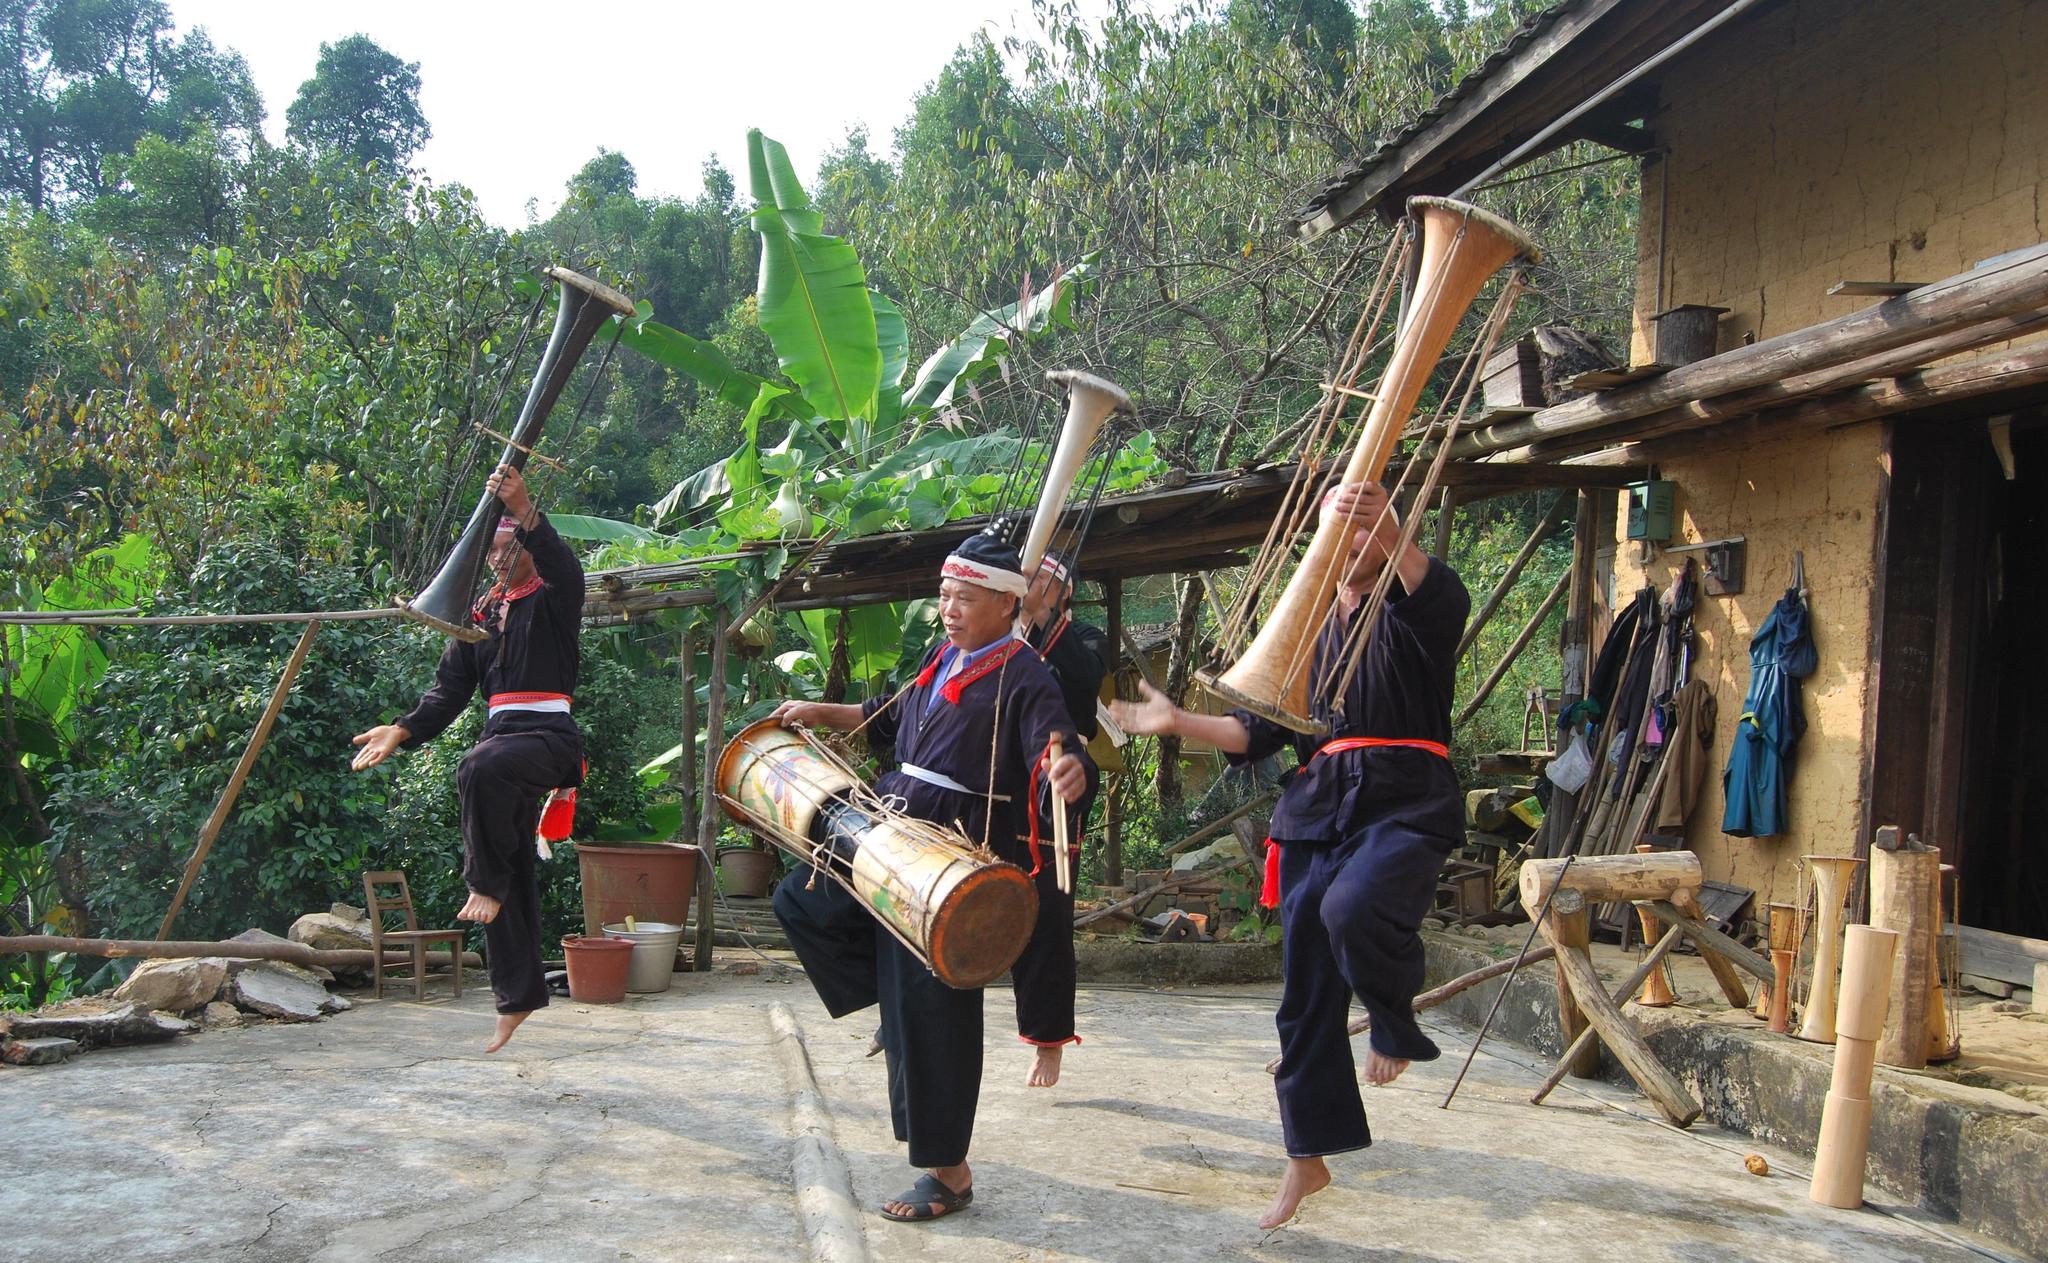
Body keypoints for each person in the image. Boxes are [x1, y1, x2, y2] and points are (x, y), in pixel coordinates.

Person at [1110, 481, 1468, 1230]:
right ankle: (1307, 1152)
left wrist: (1396, 533)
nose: (1353, 537)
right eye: (1341, 526)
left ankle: (1392, 1013)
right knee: (1303, 988)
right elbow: (1255, 734)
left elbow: (1436, 594)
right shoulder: (1304, 629)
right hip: (1316, 807)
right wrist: (1176, 719)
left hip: (1403, 795)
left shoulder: (1416, 604)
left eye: (1364, 526)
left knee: (1353, 906)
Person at [770, 529, 1091, 1223]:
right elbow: (887, 721)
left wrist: (1071, 772)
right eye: (945, 593)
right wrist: (819, 712)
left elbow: (1055, 746)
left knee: (935, 1011)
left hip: (951, 856)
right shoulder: (941, 655)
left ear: (1005, 606)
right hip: (891, 830)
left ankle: (948, 1174)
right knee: (802, 901)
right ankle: (892, 1003)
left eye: (965, 596)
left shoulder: (1026, 674)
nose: (949, 607)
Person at [350, 464, 584, 1055]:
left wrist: (524, 505)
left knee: (477, 768)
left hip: (549, 739)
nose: (500, 562)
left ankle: (482, 881)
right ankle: (517, 998)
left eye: (510, 550)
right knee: (508, 871)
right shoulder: (480, 618)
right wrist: (402, 730)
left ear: (527, 548)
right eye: (493, 553)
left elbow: (559, 559)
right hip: (504, 741)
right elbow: (449, 691)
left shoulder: (557, 597)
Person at [1013, 548, 1112, 1087]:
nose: (1030, 585)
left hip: (1056, 766)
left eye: (1042, 579)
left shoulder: (1087, 637)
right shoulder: (993, 632)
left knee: (1047, 908)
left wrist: (1044, 618)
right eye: (1025, 577)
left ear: (1064, 591)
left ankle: (1048, 1038)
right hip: (989, 776)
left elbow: (1080, 688)